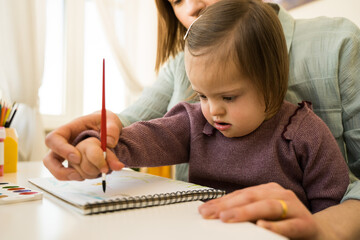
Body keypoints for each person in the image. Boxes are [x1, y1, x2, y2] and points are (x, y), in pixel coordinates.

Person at [43, 0, 360, 239]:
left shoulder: (304, 131)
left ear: (273, 83)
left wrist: (318, 228)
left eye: (229, 97)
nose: (213, 111)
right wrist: (97, 145)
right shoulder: (196, 117)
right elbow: (141, 134)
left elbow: (329, 201)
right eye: (203, 96)